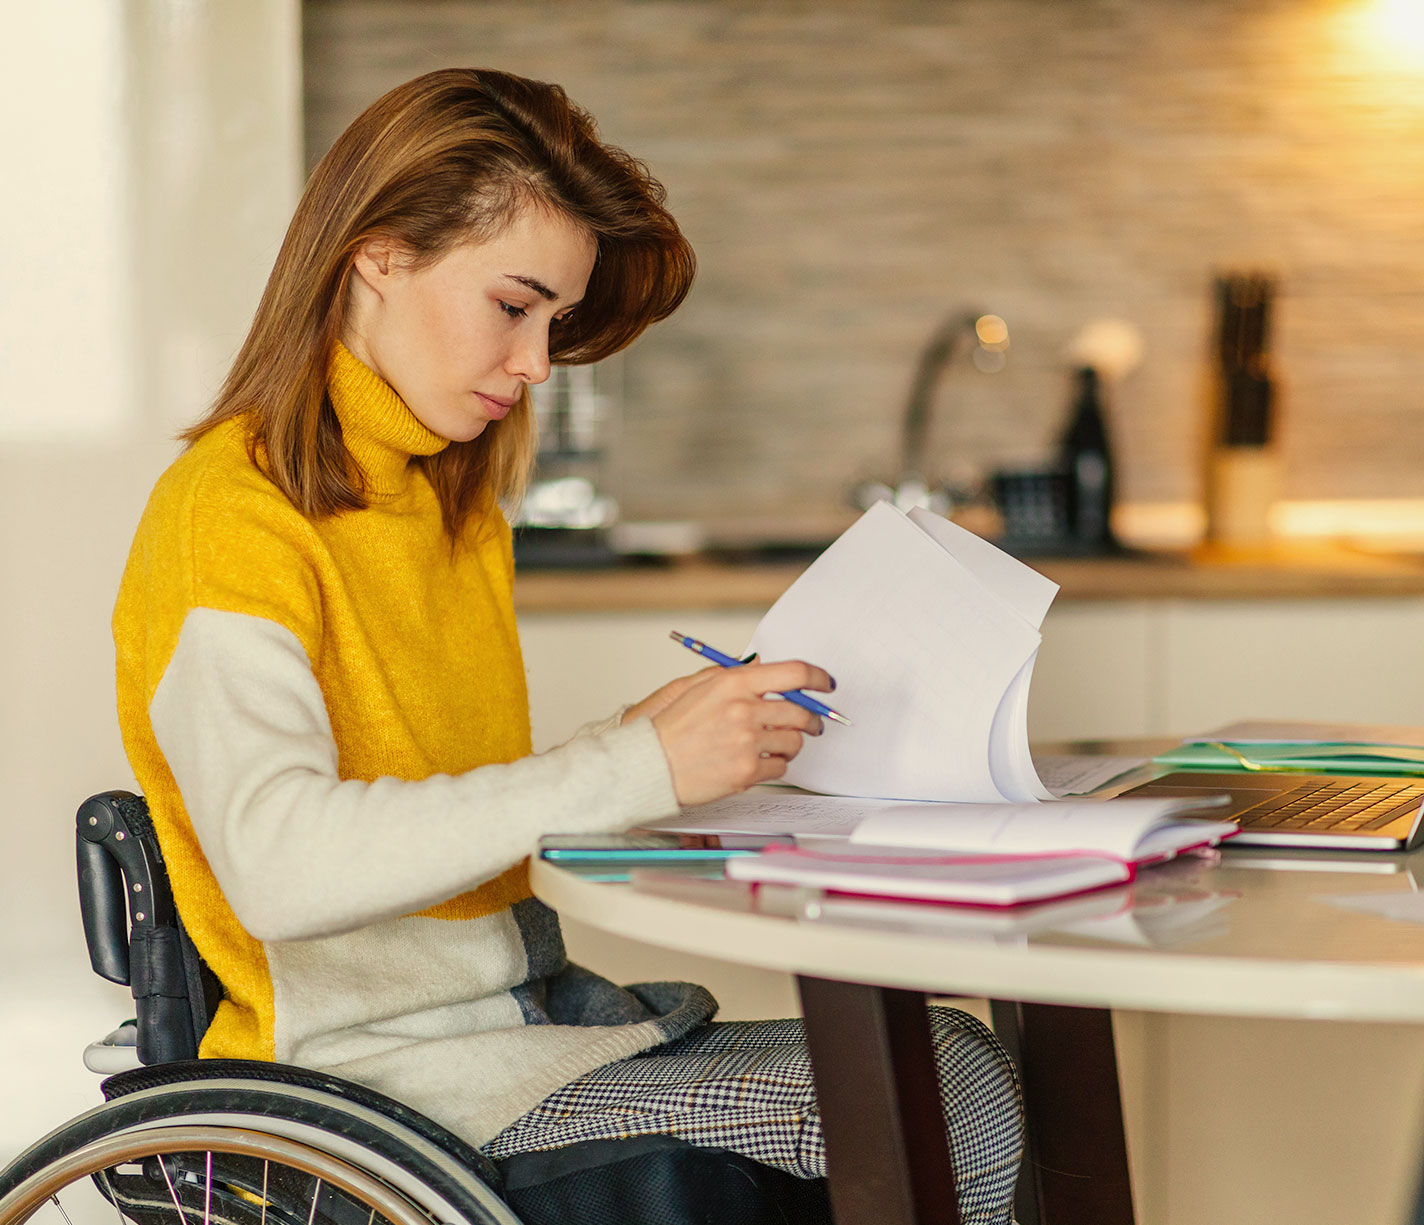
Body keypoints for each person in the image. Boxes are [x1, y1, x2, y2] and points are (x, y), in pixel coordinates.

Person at [112, 68, 1022, 1222]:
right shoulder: (231, 515)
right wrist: (632, 765)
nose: (540, 362)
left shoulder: (446, 510)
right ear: (377, 256)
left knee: (948, 1057)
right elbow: (278, 865)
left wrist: (651, 741)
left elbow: (452, 805)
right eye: (514, 306)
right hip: (387, 1086)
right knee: (944, 1095)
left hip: (524, 1028)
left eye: (554, 323)